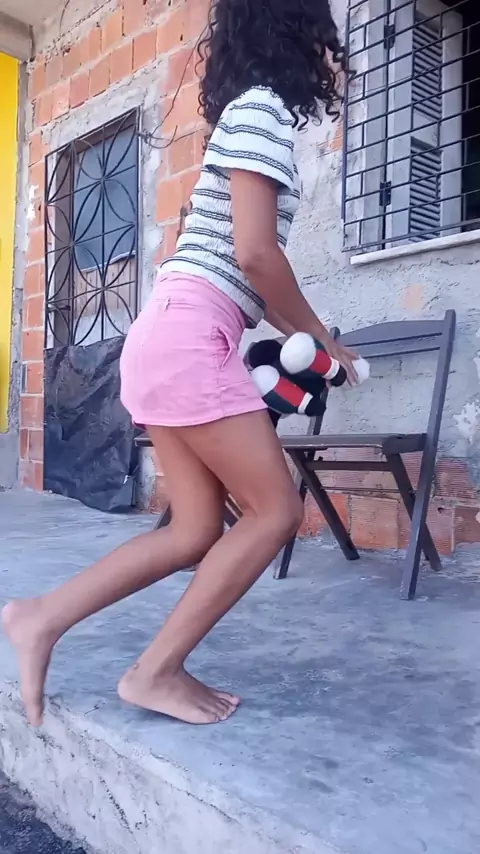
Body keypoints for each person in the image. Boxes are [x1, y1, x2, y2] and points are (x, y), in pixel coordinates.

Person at [3, 0, 358, 727]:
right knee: (275, 511)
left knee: (194, 530)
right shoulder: (262, 111)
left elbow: (244, 269)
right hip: (191, 338)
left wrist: (316, 340)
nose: (334, 48)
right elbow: (256, 255)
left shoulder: (248, 113)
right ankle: (155, 670)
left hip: (171, 334)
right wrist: (323, 336)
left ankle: (40, 616)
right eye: (327, 31)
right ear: (299, 30)